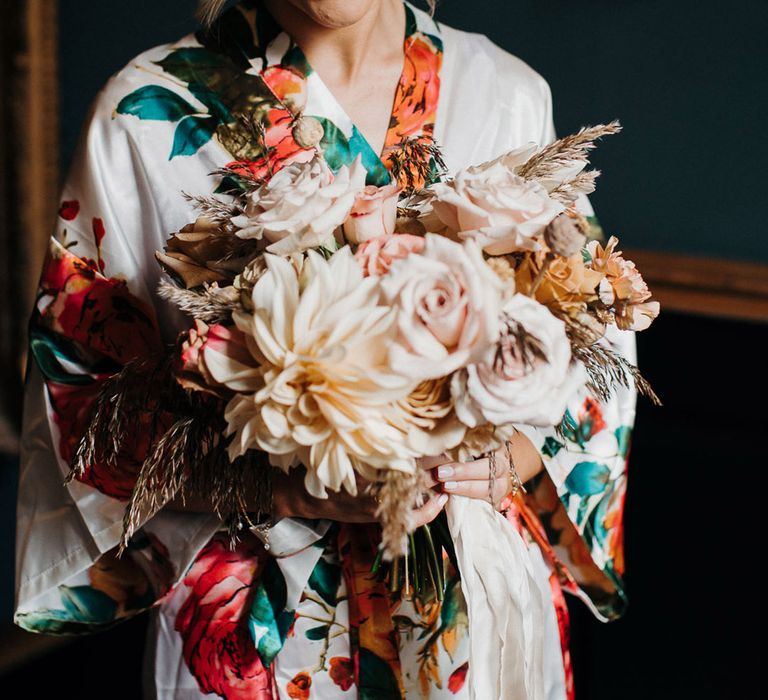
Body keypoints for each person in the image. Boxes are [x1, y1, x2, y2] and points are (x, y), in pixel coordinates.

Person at [13, 0, 638, 698]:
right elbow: (84, 416)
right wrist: (281, 483)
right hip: (265, 643)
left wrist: (508, 459)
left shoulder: (506, 93)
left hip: (481, 616)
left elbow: (594, 352)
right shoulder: (142, 116)